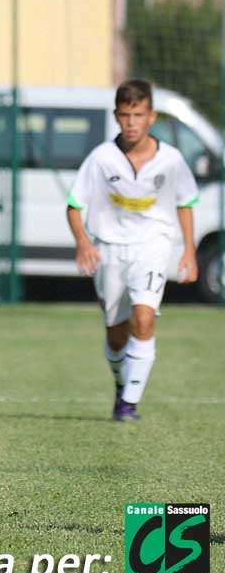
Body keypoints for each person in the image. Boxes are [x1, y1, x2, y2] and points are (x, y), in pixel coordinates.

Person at [66, 79, 198, 422]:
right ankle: (121, 386)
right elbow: (74, 205)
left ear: (151, 116)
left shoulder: (171, 160)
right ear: (116, 116)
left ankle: (129, 404)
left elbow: (185, 202)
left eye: (138, 115)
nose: (131, 122)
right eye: (125, 115)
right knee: (116, 334)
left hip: (153, 245)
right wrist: (83, 242)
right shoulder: (101, 158)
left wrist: (189, 251)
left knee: (144, 317)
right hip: (109, 249)